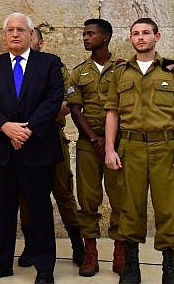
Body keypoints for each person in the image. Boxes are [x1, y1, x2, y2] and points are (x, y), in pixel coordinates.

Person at [104, 18, 174, 284]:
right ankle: (132, 267)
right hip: (130, 147)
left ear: (157, 36)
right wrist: (110, 149)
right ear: (131, 38)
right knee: (130, 208)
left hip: (164, 148)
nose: (141, 37)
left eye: (146, 33)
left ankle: (170, 269)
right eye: (135, 33)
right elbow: (112, 112)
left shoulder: (173, 70)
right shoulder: (120, 72)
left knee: (167, 209)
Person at [0, 12, 63, 284]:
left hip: (37, 148)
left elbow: (53, 99)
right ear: (5, 36)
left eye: (20, 30)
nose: (15, 34)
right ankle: (1, 264)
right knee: (4, 209)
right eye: (10, 30)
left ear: (31, 35)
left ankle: (45, 268)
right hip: (1, 149)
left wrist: (26, 130)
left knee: (39, 209)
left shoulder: (48, 63)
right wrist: (6, 127)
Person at [17, 28, 84, 268]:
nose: (23, 36)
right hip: (22, 139)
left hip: (50, 137)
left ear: (40, 42)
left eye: (29, 34)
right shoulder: (11, 67)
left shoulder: (53, 66)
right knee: (25, 194)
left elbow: (67, 101)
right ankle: (31, 244)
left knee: (63, 190)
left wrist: (38, 122)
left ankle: (77, 243)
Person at [67, 19, 124, 277]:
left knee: (120, 198)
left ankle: (120, 251)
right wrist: (93, 138)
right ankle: (90, 253)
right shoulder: (79, 72)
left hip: (118, 144)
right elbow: (75, 109)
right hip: (88, 144)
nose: (86, 38)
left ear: (106, 37)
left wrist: (110, 140)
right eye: (84, 34)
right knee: (87, 200)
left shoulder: (123, 69)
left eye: (91, 34)